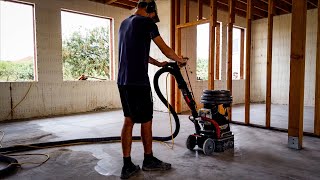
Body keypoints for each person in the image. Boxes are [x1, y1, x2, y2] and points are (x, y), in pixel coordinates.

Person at [117, 0, 187, 179]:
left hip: (123, 81)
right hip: (138, 82)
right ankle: (148, 160)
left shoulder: (124, 24)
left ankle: (127, 165)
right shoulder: (146, 22)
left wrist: (157, 64)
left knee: (129, 120)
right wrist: (179, 59)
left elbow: (137, 52)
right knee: (146, 121)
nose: (152, 18)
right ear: (149, 10)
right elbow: (165, 49)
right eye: (152, 15)